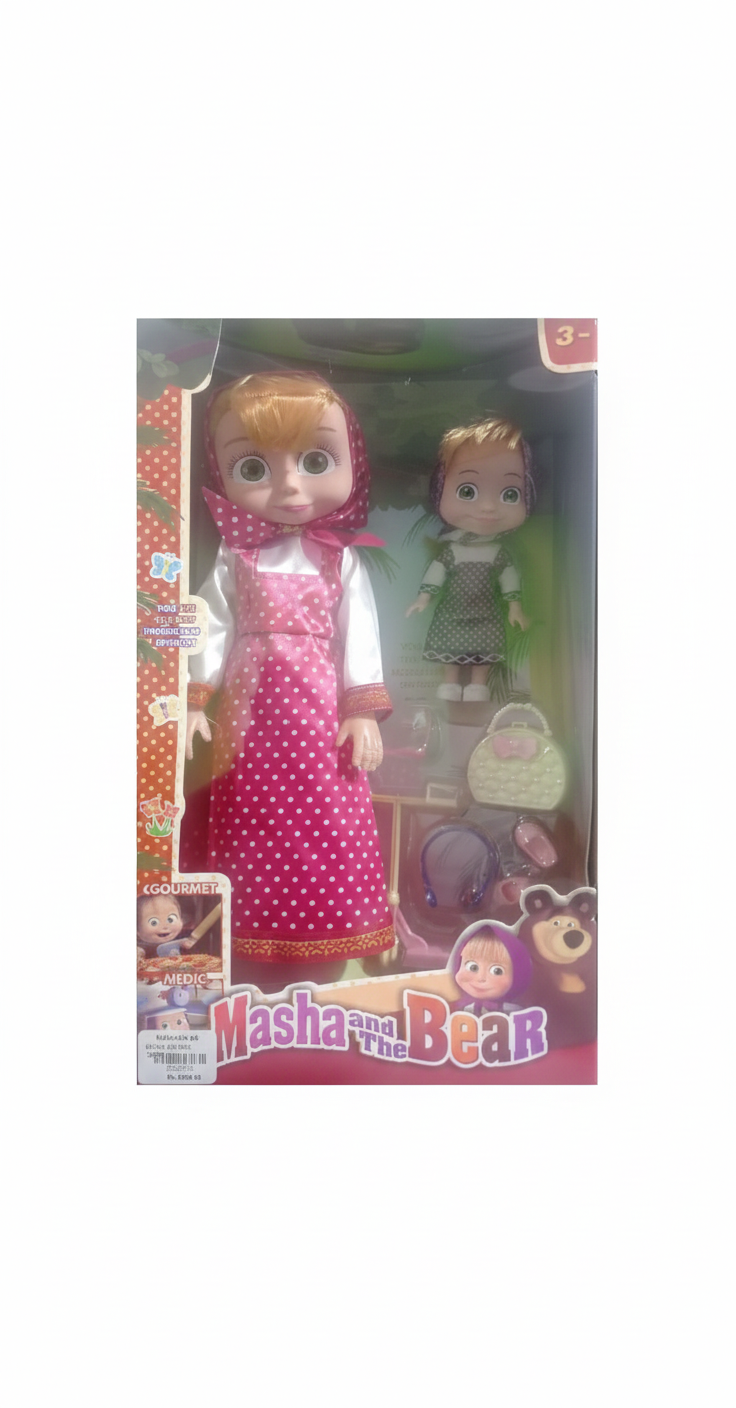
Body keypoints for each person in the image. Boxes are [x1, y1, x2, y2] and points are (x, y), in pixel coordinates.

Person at [185, 371, 394, 987]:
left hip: (318, 717)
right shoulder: (236, 555)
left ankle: (326, 940)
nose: (291, 485)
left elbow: (361, 631)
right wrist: (195, 700)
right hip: (246, 718)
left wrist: (361, 709)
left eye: (314, 461)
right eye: (254, 468)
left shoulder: (340, 556)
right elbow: (211, 625)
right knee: (244, 816)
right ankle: (241, 940)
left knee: (328, 817)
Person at [406, 416, 534, 702]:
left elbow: (509, 578)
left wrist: (515, 608)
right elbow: (436, 572)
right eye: (467, 492)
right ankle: (450, 682)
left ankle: (478, 684)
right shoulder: (452, 550)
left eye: (510, 494)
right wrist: (423, 598)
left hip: (487, 612)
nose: (488, 507)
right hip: (452, 611)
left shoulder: (498, 553)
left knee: (484, 648)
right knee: (450, 646)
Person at [449, 920, 532, 1016]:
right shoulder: (458, 1007)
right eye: (473, 967)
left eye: (497, 971)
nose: (481, 978)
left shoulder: (516, 1012)